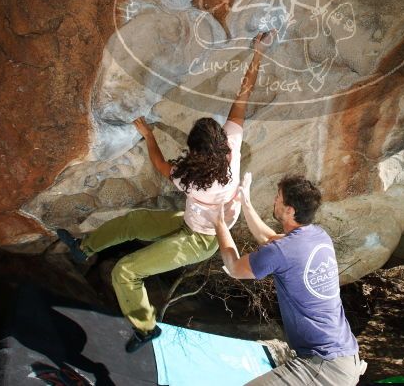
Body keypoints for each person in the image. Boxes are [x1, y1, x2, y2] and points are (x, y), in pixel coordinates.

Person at [57, 32, 271, 353]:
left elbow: (159, 163)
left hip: (201, 240)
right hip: (192, 222)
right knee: (133, 222)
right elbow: (243, 96)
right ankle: (84, 249)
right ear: (220, 143)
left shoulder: (193, 179)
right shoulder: (231, 147)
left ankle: (145, 328)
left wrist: (148, 134)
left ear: (197, 152)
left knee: (126, 271)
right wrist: (259, 52)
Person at [211, 173, 364, 385]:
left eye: (278, 197)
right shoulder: (319, 235)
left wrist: (218, 222)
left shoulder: (282, 251)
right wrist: (245, 201)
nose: (274, 200)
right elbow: (268, 238)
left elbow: (235, 268)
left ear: (290, 210)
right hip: (344, 356)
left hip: (324, 365)